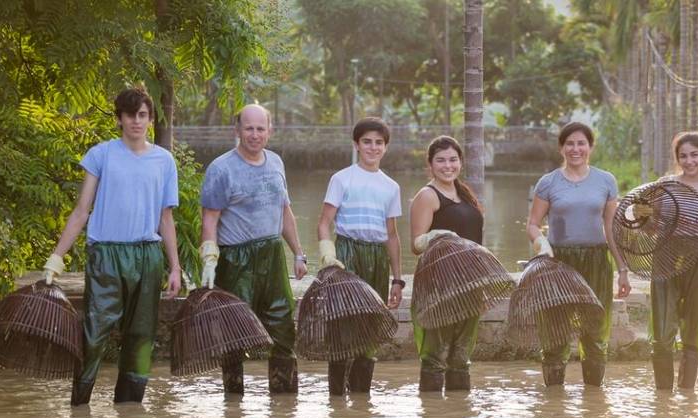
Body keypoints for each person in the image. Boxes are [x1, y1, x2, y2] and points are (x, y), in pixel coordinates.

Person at [43, 86, 181, 406]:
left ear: (149, 119)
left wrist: (175, 266)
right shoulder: (101, 154)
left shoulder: (164, 161)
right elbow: (81, 210)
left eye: (143, 115)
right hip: (106, 253)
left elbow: (166, 218)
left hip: (147, 255)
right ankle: (79, 405)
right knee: (94, 333)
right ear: (119, 119)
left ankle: (129, 413)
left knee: (141, 337)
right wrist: (56, 257)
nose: (136, 121)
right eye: (130, 115)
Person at [199, 104, 307, 395]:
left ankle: (284, 404)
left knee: (284, 328)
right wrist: (209, 257)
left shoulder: (276, 163)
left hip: (272, 256)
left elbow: (285, 211)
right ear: (237, 130)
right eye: (249, 128)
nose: (255, 134)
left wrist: (298, 252)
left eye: (261, 128)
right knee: (234, 336)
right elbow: (209, 220)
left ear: (270, 131)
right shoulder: (221, 169)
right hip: (236, 261)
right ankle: (234, 408)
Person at [526, 121, 632, 387]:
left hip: (596, 261)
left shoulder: (605, 180)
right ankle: (554, 404)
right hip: (557, 263)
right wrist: (542, 243)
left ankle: (594, 401)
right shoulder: (548, 182)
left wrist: (622, 269)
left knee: (595, 336)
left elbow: (611, 227)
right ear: (561, 148)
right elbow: (532, 224)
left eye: (581, 143)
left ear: (590, 147)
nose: (576, 149)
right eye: (570, 143)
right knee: (555, 335)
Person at [317, 117, 404, 396]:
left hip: (376, 257)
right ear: (356, 144)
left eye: (379, 143)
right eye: (367, 141)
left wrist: (398, 280)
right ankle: (336, 401)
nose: (373, 147)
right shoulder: (341, 179)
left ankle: (361, 399)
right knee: (342, 329)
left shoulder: (391, 186)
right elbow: (323, 223)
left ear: (385, 147)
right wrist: (328, 255)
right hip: (346, 253)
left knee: (370, 331)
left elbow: (392, 235)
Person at [409, 136, 485, 392]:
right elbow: (416, 243)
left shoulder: (464, 194)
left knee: (461, 357)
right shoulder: (427, 196)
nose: (447, 165)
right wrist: (435, 235)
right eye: (440, 160)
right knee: (435, 356)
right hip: (439, 284)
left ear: (460, 162)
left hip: (470, 282)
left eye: (453, 159)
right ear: (430, 164)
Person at [646, 132, 698, 390]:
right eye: (683, 156)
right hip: (666, 257)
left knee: (694, 328)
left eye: (694, 155)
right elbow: (649, 227)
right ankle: (663, 397)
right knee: (663, 329)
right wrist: (643, 216)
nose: (689, 161)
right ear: (677, 158)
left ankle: (687, 392)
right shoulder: (664, 186)